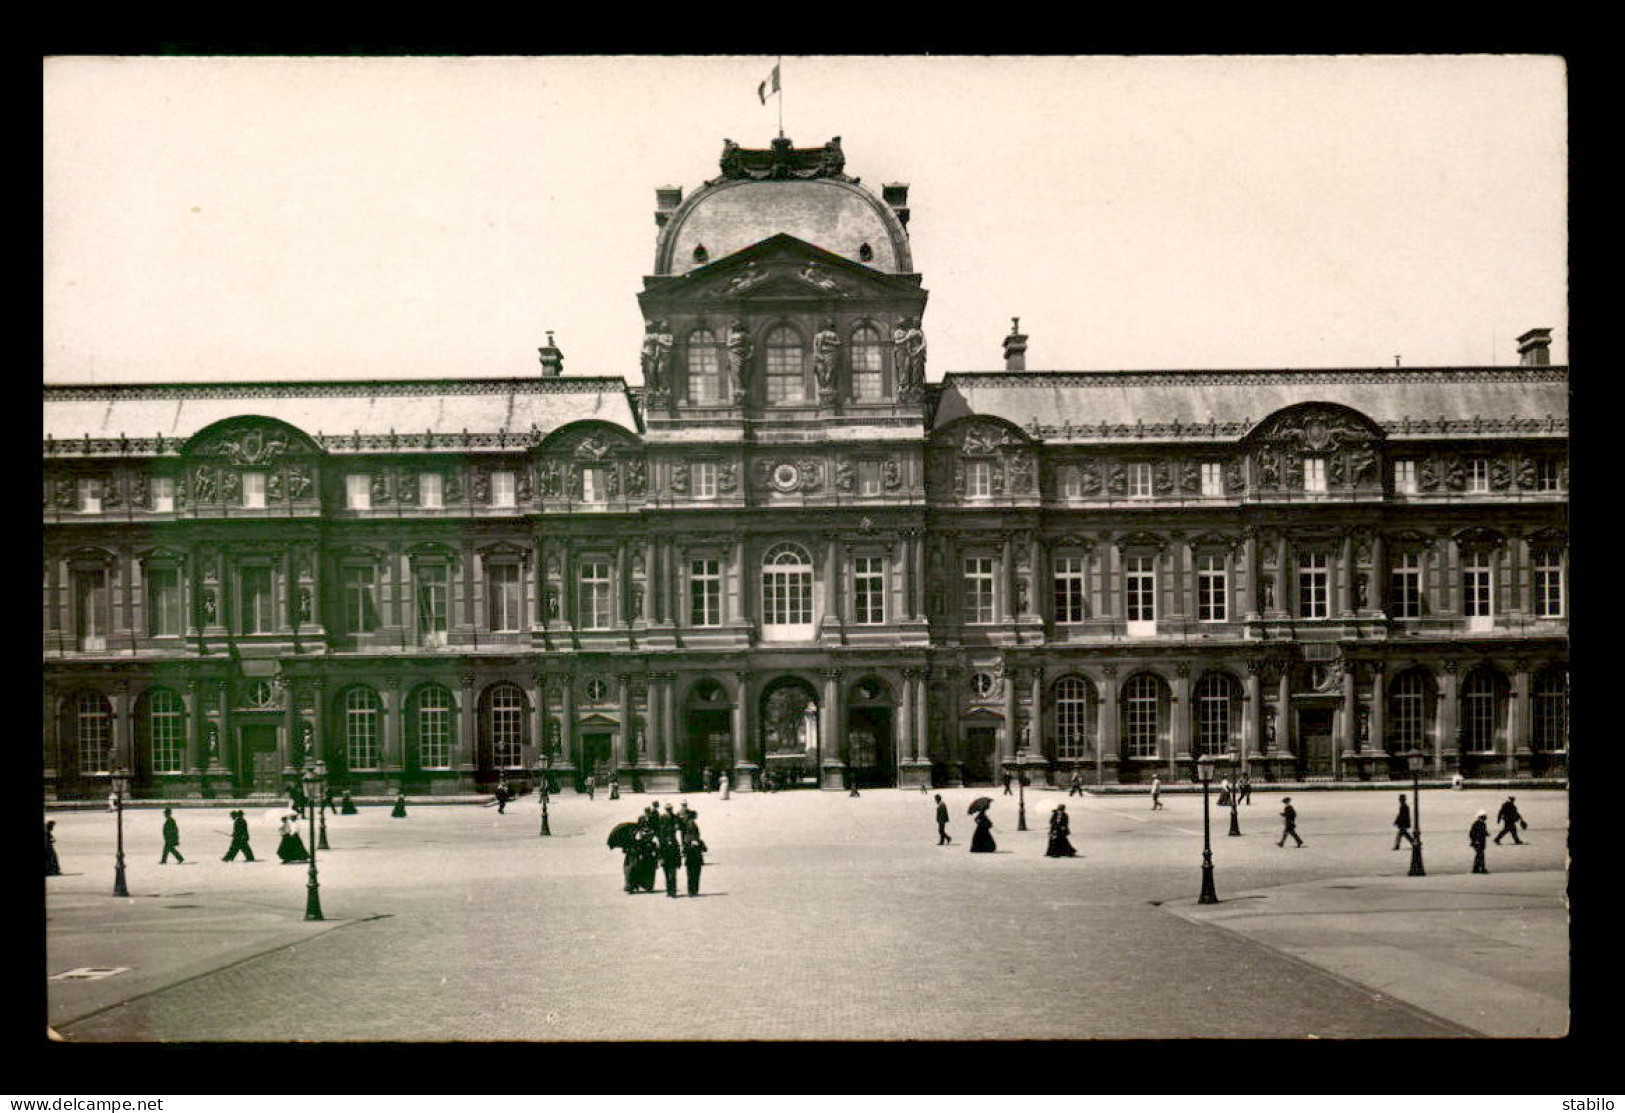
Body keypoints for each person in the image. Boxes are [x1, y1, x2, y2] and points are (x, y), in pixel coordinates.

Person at [682, 811, 707, 897]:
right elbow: (704, 848)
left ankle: (691, 891)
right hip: (695, 857)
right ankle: (694, 890)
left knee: (690, 875)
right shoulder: (692, 826)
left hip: (690, 857)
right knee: (695, 874)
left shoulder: (687, 836)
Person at [657, 818, 682, 898]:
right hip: (666, 861)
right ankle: (669, 891)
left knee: (672, 876)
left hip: (672, 861)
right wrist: (660, 859)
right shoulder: (663, 842)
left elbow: (678, 852)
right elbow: (660, 851)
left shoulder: (675, 842)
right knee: (667, 876)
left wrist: (679, 862)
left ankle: (673, 892)